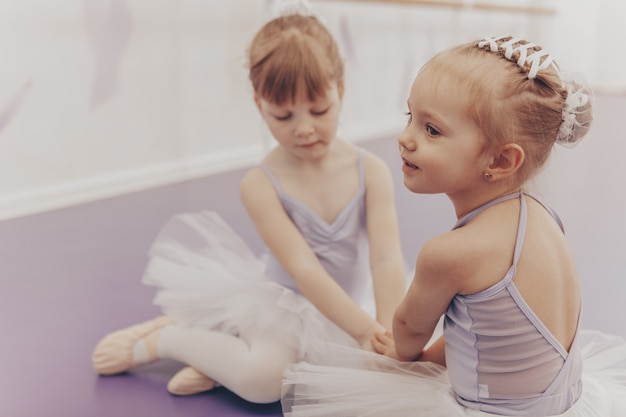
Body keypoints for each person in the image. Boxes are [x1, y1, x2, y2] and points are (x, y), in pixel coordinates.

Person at [282, 36, 626, 416]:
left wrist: (404, 354)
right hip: (564, 401)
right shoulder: (542, 219)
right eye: (409, 117)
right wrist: (432, 355)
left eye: (431, 130)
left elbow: (408, 330)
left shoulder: (449, 253)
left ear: (500, 160)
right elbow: (486, 328)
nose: (404, 138)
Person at [90, 7, 407, 405]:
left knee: (384, 375)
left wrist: (387, 333)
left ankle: (223, 360)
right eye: (284, 115)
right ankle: (166, 339)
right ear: (260, 105)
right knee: (263, 383)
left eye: (319, 110)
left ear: (339, 91)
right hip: (284, 307)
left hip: (347, 307)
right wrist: (363, 332)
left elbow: (386, 260)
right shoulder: (260, 184)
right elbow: (305, 270)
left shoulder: (371, 171)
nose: (304, 127)